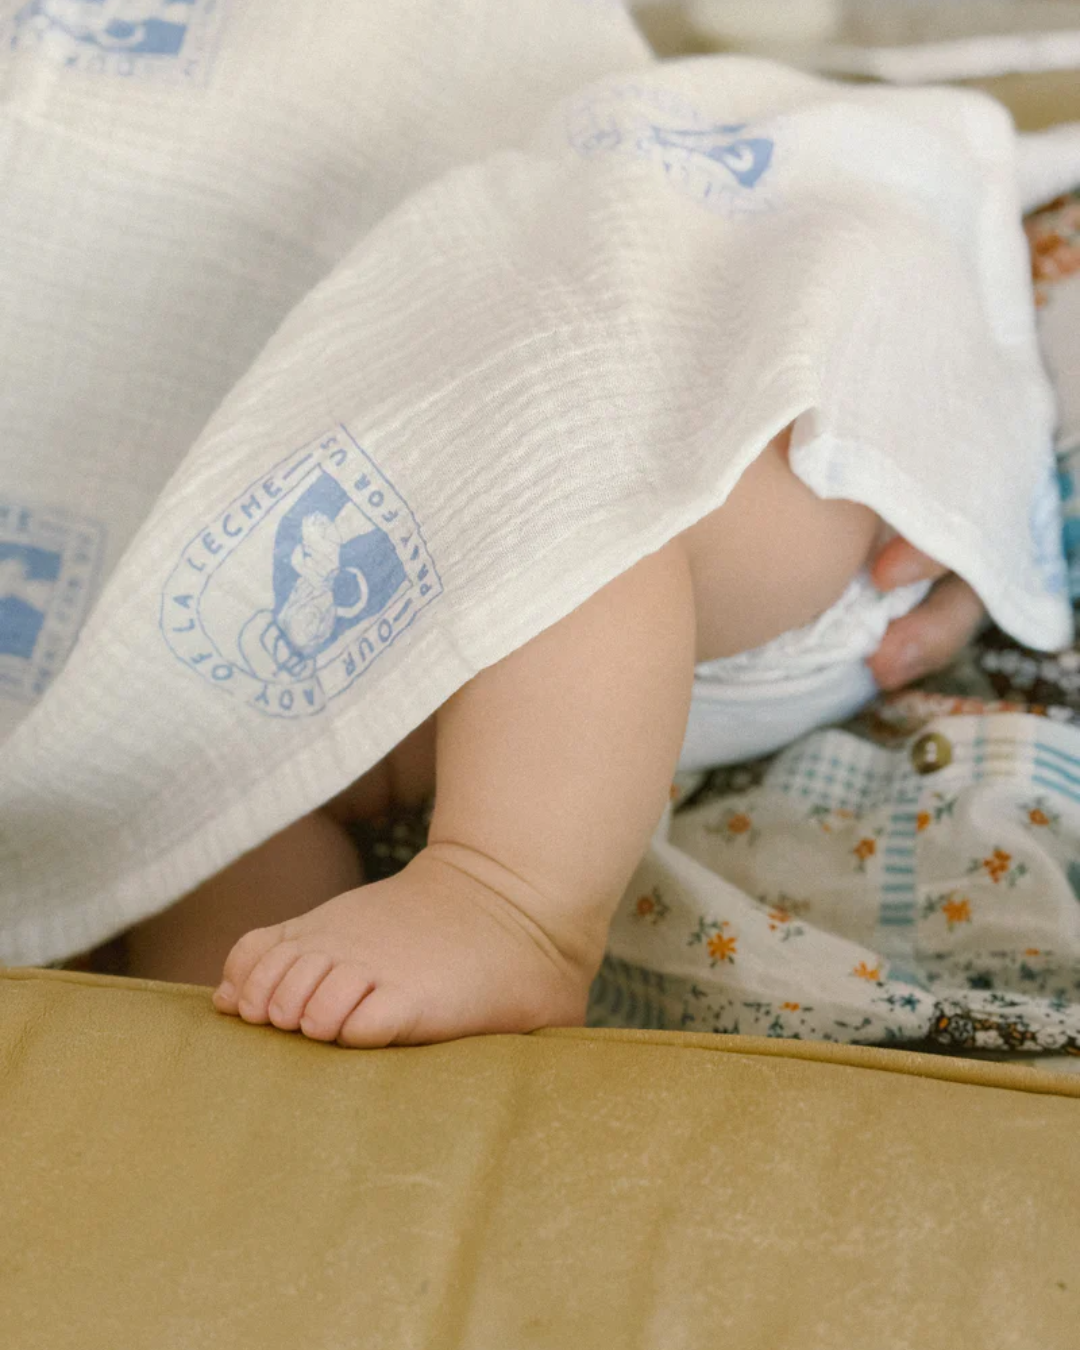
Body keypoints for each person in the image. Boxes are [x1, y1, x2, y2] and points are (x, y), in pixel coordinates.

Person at [124, 427, 988, 1047]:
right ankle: (218, 1079)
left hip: (732, 517)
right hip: (391, 531)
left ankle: (510, 902)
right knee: (211, 792)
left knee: (584, 474)